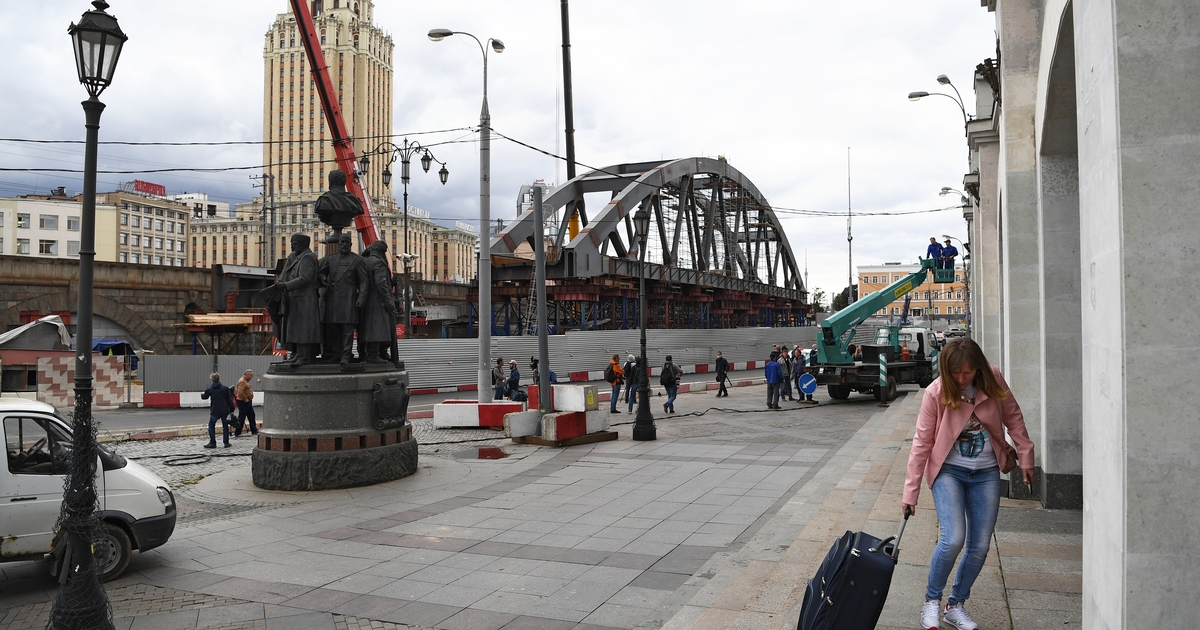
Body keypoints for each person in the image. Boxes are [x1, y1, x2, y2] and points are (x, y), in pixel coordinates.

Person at [902, 337, 1036, 630]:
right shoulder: (935, 393)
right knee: (952, 539)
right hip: (948, 472)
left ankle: (955, 605)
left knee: (980, 546)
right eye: (955, 373)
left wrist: (1026, 457)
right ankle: (931, 602)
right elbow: (921, 443)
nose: (962, 379)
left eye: (968, 372)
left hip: (986, 472)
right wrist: (910, 492)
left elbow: (1013, 417)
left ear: (978, 368)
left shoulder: (993, 378)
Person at [318, 232, 367, 364]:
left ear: (351, 244)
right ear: (338, 244)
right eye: (342, 243)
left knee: (347, 329)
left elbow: (363, 281)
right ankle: (334, 354)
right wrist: (322, 278)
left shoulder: (357, 260)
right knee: (332, 328)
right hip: (333, 298)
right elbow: (321, 271)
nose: (344, 245)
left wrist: (361, 298)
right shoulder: (330, 259)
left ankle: (346, 355)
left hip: (349, 297)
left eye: (346, 242)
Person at [275, 233, 322, 365]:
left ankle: (304, 356)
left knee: (304, 329)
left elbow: (304, 278)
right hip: (296, 299)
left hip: (305, 300)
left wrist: (285, 285)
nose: (291, 246)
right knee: (295, 328)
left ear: (303, 245)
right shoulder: (296, 257)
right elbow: (286, 274)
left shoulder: (308, 257)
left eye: (294, 244)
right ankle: (297, 354)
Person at [359, 241, 398, 364]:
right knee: (378, 327)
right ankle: (374, 353)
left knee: (366, 327)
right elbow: (381, 284)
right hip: (377, 300)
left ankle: (366, 353)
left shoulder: (364, 261)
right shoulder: (378, 263)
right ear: (382, 252)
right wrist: (388, 302)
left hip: (364, 299)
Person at [201, 372, 236, 449]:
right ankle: (226, 442)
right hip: (224, 410)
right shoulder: (225, 388)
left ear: (212, 380)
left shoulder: (210, 389)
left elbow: (204, 397)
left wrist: (202, 394)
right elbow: (229, 400)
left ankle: (213, 442)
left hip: (215, 410)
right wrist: (232, 409)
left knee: (211, 425)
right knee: (225, 426)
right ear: (219, 379)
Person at [233, 369, 257, 437]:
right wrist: (246, 400)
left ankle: (254, 429)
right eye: (251, 375)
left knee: (251, 415)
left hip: (247, 401)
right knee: (242, 417)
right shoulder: (242, 381)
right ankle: (238, 432)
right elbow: (240, 392)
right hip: (243, 401)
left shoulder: (246, 381)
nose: (251, 377)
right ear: (247, 374)